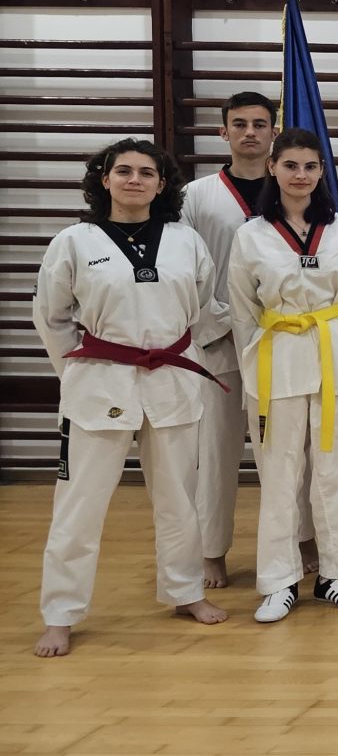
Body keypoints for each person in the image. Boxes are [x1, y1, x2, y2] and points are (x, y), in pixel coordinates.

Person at [32, 139, 230, 657]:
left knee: (179, 499)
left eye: (146, 173)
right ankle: (60, 614)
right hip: (100, 380)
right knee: (79, 505)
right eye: (123, 171)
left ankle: (185, 592)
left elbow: (205, 310)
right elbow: (51, 317)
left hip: (172, 379)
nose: (134, 180)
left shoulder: (185, 241)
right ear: (104, 179)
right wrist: (78, 371)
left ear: (162, 184)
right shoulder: (74, 241)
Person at [230, 128, 338, 623]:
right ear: (272, 168)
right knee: (279, 473)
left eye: (310, 166)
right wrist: (253, 368)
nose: (300, 175)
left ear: (321, 171)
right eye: (291, 165)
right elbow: (242, 310)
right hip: (277, 354)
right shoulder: (251, 234)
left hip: (336, 351)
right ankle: (278, 581)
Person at [182, 91, 284, 588]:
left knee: (286, 449)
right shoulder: (197, 196)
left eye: (259, 124)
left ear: (274, 133)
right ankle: (211, 551)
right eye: (239, 123)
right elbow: (184, 270)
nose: (249, 132)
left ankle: (301, 539)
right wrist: (222, 319)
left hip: (280, 336)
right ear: (223, 131)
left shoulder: (292, 187)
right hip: (217, 337)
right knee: (217, 451)